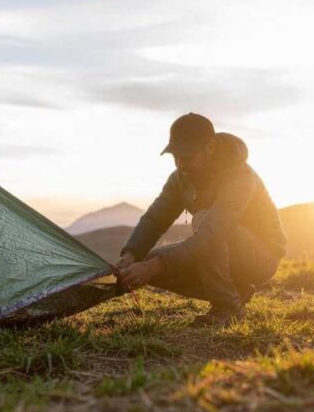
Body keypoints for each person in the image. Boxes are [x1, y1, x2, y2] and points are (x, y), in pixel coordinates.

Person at [114, 113, 287, 326]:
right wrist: (131, 255)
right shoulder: (180, 178)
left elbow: (211, 234)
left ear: (210, 147)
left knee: (201, 221)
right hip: (220, 248)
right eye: (175, 156)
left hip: (261, 256)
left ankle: (227, 308)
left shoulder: (240, 176)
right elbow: (155, 219)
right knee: (146, 262)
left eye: (187, 156)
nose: (180, 164)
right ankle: (237, 292)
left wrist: (156, 265)